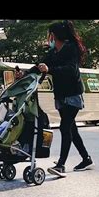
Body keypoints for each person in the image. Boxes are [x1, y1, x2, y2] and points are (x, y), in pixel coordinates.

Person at [37, 20, 93, 177]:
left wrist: (50, 69)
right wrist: (25, 73)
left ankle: (61, 165)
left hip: (73, 95)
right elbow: (41, 65)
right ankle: (86, 159)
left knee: (65, 127)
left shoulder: (71, 48)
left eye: (49, 35)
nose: (49, 39)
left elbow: (71, 69)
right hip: (61, 95)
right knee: (72, 130)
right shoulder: (53, 52)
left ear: (54, 35)